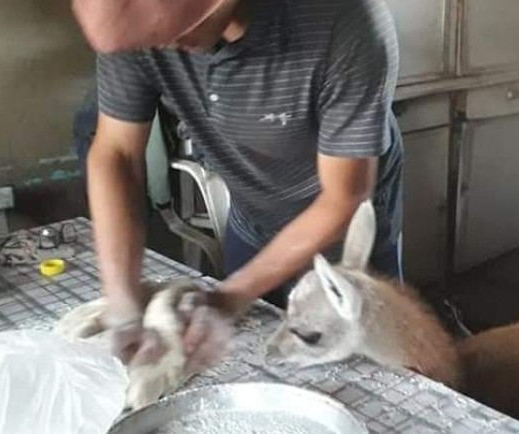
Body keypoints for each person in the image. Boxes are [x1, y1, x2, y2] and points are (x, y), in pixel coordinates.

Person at [70, 0, 404, 374]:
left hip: (349, 236)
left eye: (174, 35)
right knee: (245, 358)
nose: (163, 48)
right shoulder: (141, 30)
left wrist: (231, 297)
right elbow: (117, 154)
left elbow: (344, 198)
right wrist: (123, 306)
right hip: (253, 216)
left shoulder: (345, 21)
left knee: (365, 375)